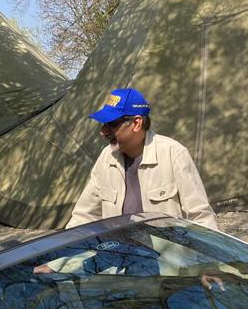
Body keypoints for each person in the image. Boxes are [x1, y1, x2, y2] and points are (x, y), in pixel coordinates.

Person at [65, 88, 218, 230]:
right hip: (121, 250)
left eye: (111, 125)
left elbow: (201, 217)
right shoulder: (107, 157)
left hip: (166, 251)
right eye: (104, 125)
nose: (103, 132)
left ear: (136, 123)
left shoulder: (173, 154)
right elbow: (83, 216)